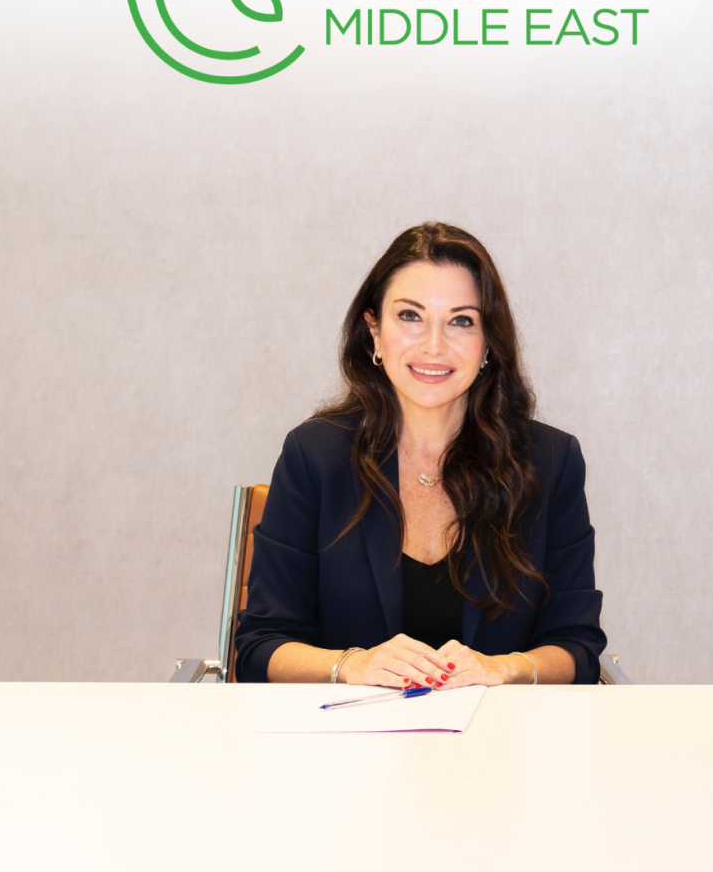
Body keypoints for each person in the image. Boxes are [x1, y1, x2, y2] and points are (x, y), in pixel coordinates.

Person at [234, 222, 605, 687]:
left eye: (461, 321)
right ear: (373, 330)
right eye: (410, 316)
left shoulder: (550, 461)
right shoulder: (314, 455)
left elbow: (577, 648)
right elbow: (261, 647)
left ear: (488, 343)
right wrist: (351, 665)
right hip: (346, 732)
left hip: (500, 731)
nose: (433, 346)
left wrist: (502, 668)